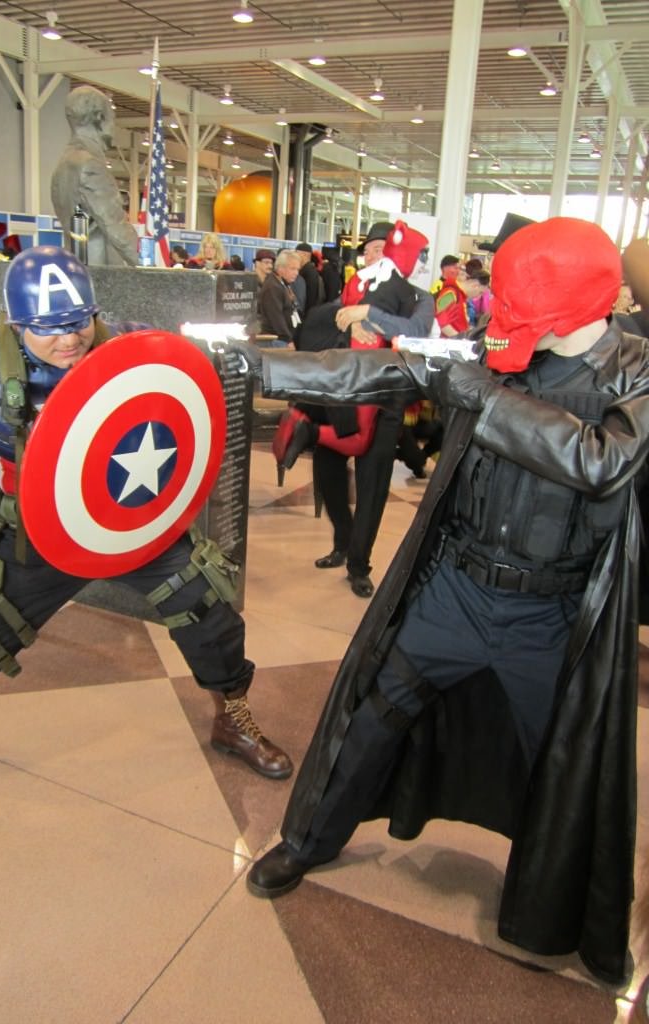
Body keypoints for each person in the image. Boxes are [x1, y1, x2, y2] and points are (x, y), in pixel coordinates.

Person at [231, 217, 647, 986]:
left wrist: (483, 399)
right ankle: (312, 840)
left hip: (552, 616)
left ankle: (562, 914)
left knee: (559, 765)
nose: (498, 325)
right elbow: (384, 373)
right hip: (456, 586)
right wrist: (258, 367)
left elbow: (601, 459)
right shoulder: (495, 353)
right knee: (374, 713)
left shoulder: (635, 373)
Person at [0, 246, 293, 808]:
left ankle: (233, 715)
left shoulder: (129, 345)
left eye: (78, 322)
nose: (69, 340)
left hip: (133, 524)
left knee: (209, 611)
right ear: (15, 322)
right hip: (35, 534)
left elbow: (183, 399)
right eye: (48, 329)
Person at [283, 221, 432, 598]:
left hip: (388, 399)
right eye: (369, 249)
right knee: (328, 468)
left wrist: (369, 315)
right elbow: (317, 320)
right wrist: (346, 324)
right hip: (342, 393)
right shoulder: (352, 289)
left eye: (381, 248)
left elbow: (415, 330)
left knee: (373, 485)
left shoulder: (419, 297)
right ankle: (343, 542)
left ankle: (358, 564)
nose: (373, 254)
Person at [51, 85, 141, 267]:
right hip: (101, 273)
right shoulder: (89, 164)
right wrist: (158, 271)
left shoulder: (64, 163)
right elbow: (117, 229)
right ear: (100, 117)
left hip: (78, 267)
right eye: (112, 118)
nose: (114, 126)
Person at [258, 250, 302, 347]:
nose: (296, 273)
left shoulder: (283, 284)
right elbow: (276, 317)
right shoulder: (273, 287)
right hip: (275, 340)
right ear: (281, 268)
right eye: (293, 269)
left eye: (297, 269)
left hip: (281, 339)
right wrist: (288, 340)